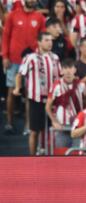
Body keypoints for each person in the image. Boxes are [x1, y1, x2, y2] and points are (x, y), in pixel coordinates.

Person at [13, 32, 62, 155]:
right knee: (34, 130)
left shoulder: (55, 57)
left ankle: (51, 155)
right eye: (46, 40)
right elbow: (20, 74)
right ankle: (32, 157)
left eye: (51, 40)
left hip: (53, 100)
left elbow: (60, 76)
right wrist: (17, 88)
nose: (50, 42)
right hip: (36, 99)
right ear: (39, 42)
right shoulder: (30, 58)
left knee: (52, 130)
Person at [2, 0, 46, 133]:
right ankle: (9, 123)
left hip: (32, 61)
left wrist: (41, 58)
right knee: (11, 91)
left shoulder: (39, 17)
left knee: (29, 94)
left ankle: (28, 126)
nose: (32, 1)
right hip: (14, 60)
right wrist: (5, 56)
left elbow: (43, 38)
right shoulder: (12, 15)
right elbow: (5, 36)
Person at [46, 58, 86, 148]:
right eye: (65, 68)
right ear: (61, 71)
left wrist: (85, 118)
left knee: (77, 154)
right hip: (62, 125)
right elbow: (48, 107)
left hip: (78, 126)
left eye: (70, 68)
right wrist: (54, 121)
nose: (68, 71)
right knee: (61, 155)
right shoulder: (56, 86)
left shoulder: (81, 85)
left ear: (75, 70)